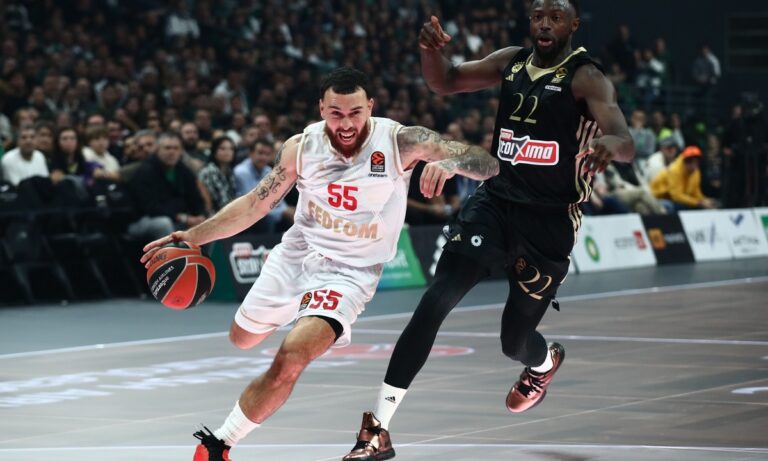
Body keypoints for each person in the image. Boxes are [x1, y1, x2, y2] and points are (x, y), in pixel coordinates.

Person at [139, 67, 499, 461]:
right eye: (336, 113)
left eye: (355, 113)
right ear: (321, 109)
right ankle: (300, 310)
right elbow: (256, 203)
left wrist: (450, 163)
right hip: (298, 254)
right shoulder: (301, 147)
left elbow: (486, 162)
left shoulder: (402, 141)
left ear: (370, 107)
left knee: (291, 357)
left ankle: (219, 444)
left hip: (350, 273)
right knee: (241, 338)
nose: (346, 124)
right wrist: (195, 236)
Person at [342, 2, 635, 459]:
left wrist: (607, 144)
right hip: (495, 204)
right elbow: (444, 81)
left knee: (514, 341)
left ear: (573, 26)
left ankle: (543, 363)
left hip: (550, 220)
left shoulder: (587, 78)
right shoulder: (510, 61)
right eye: (538, 15)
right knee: (436, 299)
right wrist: (429, 52)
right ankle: (378, 430)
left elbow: (626, 142)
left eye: (555, 17)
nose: (544, 23)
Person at [650, 145, 717, 210]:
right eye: (691, 162)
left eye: (696, 162)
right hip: (658, 198)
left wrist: (704, 200)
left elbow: (695, 192)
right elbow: (677, 196)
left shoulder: (695, 171)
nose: (694, 166)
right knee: (669, 206)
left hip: (673, 198)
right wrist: (699, 203)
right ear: (685, 161)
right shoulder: (675, 170)